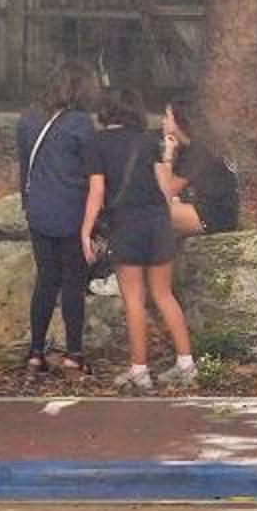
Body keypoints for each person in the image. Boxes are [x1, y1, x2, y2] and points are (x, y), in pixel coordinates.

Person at [84, 91, 195, 392]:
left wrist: (86, 230)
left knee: (134, 298)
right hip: (158, 223)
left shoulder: (97, 142)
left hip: (127, 224)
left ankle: (139, 370)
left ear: (106, 110)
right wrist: (168, 157)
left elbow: (97, 191)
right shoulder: (148, 141)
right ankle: (187, 363)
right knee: (164, 294)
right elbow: (165, 189)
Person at [15, 62, 98, 379]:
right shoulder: (81, 124)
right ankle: (74, 354)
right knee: (73, 283)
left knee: (46, 280)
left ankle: (36, 352)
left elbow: (25, 167)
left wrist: (28, 205)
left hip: (39, 211)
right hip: (73, 211)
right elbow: (92, 172)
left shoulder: (28, 119)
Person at [157, 97, 243, 238]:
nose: (163, 121)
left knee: (151, 214)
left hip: (214, 216)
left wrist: (168, 155)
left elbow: (166, 191)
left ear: (179, 121)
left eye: (167, 117)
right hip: (207, 210)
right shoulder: (192, 148)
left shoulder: (198, 151)